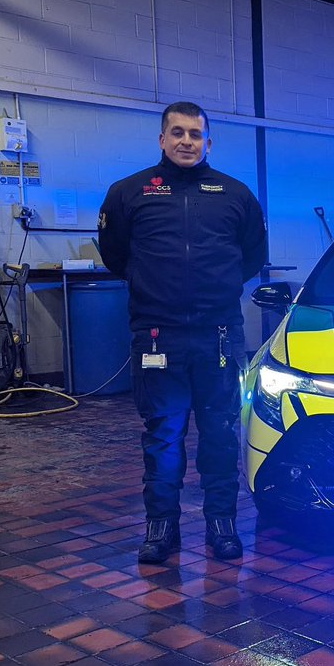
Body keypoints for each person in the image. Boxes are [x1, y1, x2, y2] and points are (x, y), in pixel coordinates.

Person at [99, 101, 267, 564]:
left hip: (218, 334)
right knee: (162, 436)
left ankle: (222, 526)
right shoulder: (129, 192)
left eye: (195, 134)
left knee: (219, 433)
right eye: (177, 133)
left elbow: (251, 256)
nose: (186, 142)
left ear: (208, 142)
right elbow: (116, 256)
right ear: (161, 139)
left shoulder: (235, 195)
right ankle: (161, 529)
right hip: (158, 336)